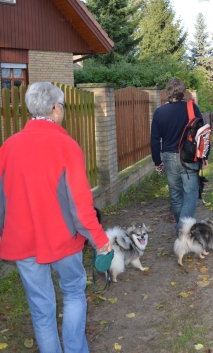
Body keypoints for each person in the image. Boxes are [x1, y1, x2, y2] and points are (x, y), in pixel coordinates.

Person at [0, 82, 111, 353]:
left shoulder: (8, 146)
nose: (62, 110)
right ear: (54, 109)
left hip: (22, 241)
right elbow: (80, 205)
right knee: (74, 293)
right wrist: (99, 239)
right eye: (62, 106)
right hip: (62, 240)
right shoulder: (67, 145)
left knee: (41, 309)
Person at [150, 78, 208, 233]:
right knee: (191, 193)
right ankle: (183, 229)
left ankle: (181, 229)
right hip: (189, 157)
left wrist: (157, 161)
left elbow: (155, 139)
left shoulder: (159, 112)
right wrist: (204, 156)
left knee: (175, 195)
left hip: (169, 157)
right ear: (183, 91)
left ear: (167, 92)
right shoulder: (191, 108)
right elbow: (201, 134)